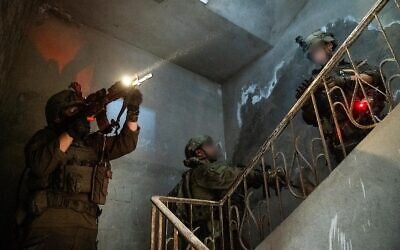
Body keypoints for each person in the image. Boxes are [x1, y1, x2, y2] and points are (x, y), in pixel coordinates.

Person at [17, 82, 143, 249]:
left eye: (79, 110)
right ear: (57, 115)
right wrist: (70, 133)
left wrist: (133, 111)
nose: (79, 115)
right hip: (47, 227)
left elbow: (126, 143)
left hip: (85, 229)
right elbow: (40, 166)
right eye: (72, 111)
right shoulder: (44, 137)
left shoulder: (92, 143)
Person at [169, 135, 284, 249]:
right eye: (209, 145)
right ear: (199, 152)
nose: (214, 147)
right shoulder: (204, 171)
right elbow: (235, 176)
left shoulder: (183, 182)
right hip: (218, 236)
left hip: (196, 239)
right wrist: (266, 176)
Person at [295, 31, 386, 163]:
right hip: (347, 146)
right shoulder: (317, 84)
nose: (316, 56)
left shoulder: (351, 67)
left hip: (373, 125)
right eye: (312, 54)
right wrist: (307, 103)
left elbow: (376, 76)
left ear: (329, 45)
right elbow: (313, 119)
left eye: (317, 50)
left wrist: (345, 80)